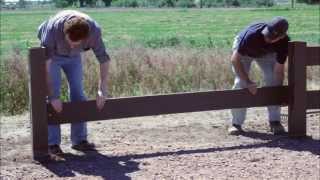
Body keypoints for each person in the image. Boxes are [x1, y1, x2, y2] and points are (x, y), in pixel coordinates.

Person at [37, 10, 110, 155]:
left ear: (85, 38)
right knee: (52, 97)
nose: (71, 45)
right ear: (64, 33)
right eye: (70, 42)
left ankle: (79, 141)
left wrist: (102, 89)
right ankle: (52, 144)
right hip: (53, 57)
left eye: (76, 43)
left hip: (75, 58)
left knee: (78, 94)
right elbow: (46, 68)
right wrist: (53, 96)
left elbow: (104, 59)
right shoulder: (52, 30)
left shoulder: (94, 31)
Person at [229, 17, 290, 135]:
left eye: (272, 38)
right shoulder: (251, 35)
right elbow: (235, 60)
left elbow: (279, 71)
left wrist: (280, 92)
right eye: (267, 34)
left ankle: (275, 121)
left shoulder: (284, 43)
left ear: (281, 37)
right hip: (245, 51)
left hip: (267, 53)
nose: (267, 38)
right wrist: (247, 81)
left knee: (273, 80)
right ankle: (236, 124)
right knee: (239, 83)